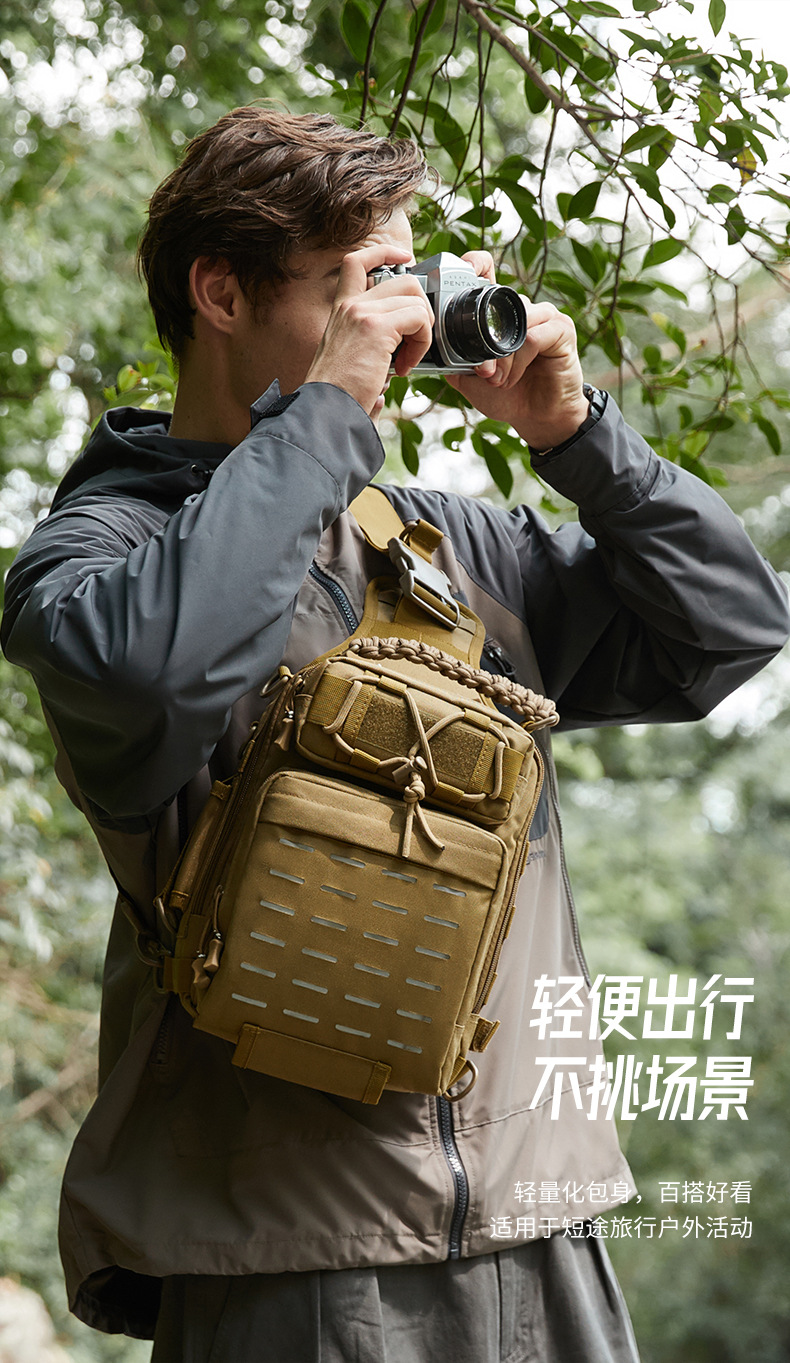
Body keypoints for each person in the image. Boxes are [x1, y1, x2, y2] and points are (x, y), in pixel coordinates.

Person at [2, 105, 788, 1363]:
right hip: (297, 1264)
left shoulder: (441, 547)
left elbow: (728, 627)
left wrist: (576, 437)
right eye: (361, 282)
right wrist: (324, 414)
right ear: (221, 292)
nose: (399, 314)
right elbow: (146, 679)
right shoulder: (99, 555)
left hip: (542, 1231)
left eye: (404, 278)